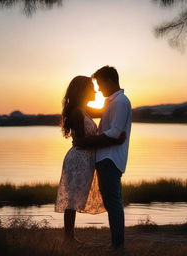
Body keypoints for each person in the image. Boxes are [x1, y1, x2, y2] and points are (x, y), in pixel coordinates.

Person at [54, 75, 126, 245]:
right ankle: (68, 239)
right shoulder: (77, 112)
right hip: (79, 159)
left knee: (76, 197)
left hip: (86, 159)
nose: (95, 91)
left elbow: (106, 111)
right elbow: (81, 142)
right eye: (92, 88)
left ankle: (69, 238)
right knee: (72, 199)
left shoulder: (83, 109)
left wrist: (117, 101)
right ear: (83, 91)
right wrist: (115, 140)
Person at [74, 66, 132, 250]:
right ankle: (117, 244)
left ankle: (117, 245)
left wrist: (85, 142)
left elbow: (114, 133)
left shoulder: (120, 102)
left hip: (111, 158)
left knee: (113, 201)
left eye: (99, 84)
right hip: (105, 157)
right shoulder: (111, 102)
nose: (98, 89)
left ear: (109, 81)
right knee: (111, 201)